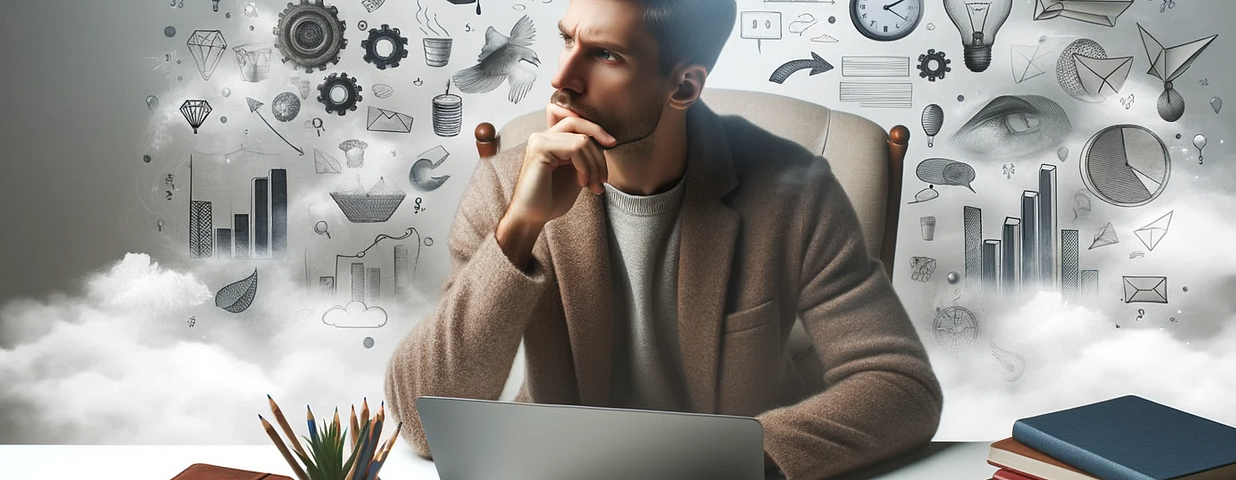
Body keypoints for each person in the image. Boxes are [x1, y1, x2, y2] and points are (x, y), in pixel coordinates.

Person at [384, 0, 942, 477]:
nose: (563, 79)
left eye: (605, 55)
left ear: (684, 85)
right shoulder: (508, 185)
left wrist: (735, 461)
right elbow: (420, 421)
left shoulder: (795, 192)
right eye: (566, 41)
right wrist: (519, 229)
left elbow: (902, 386)